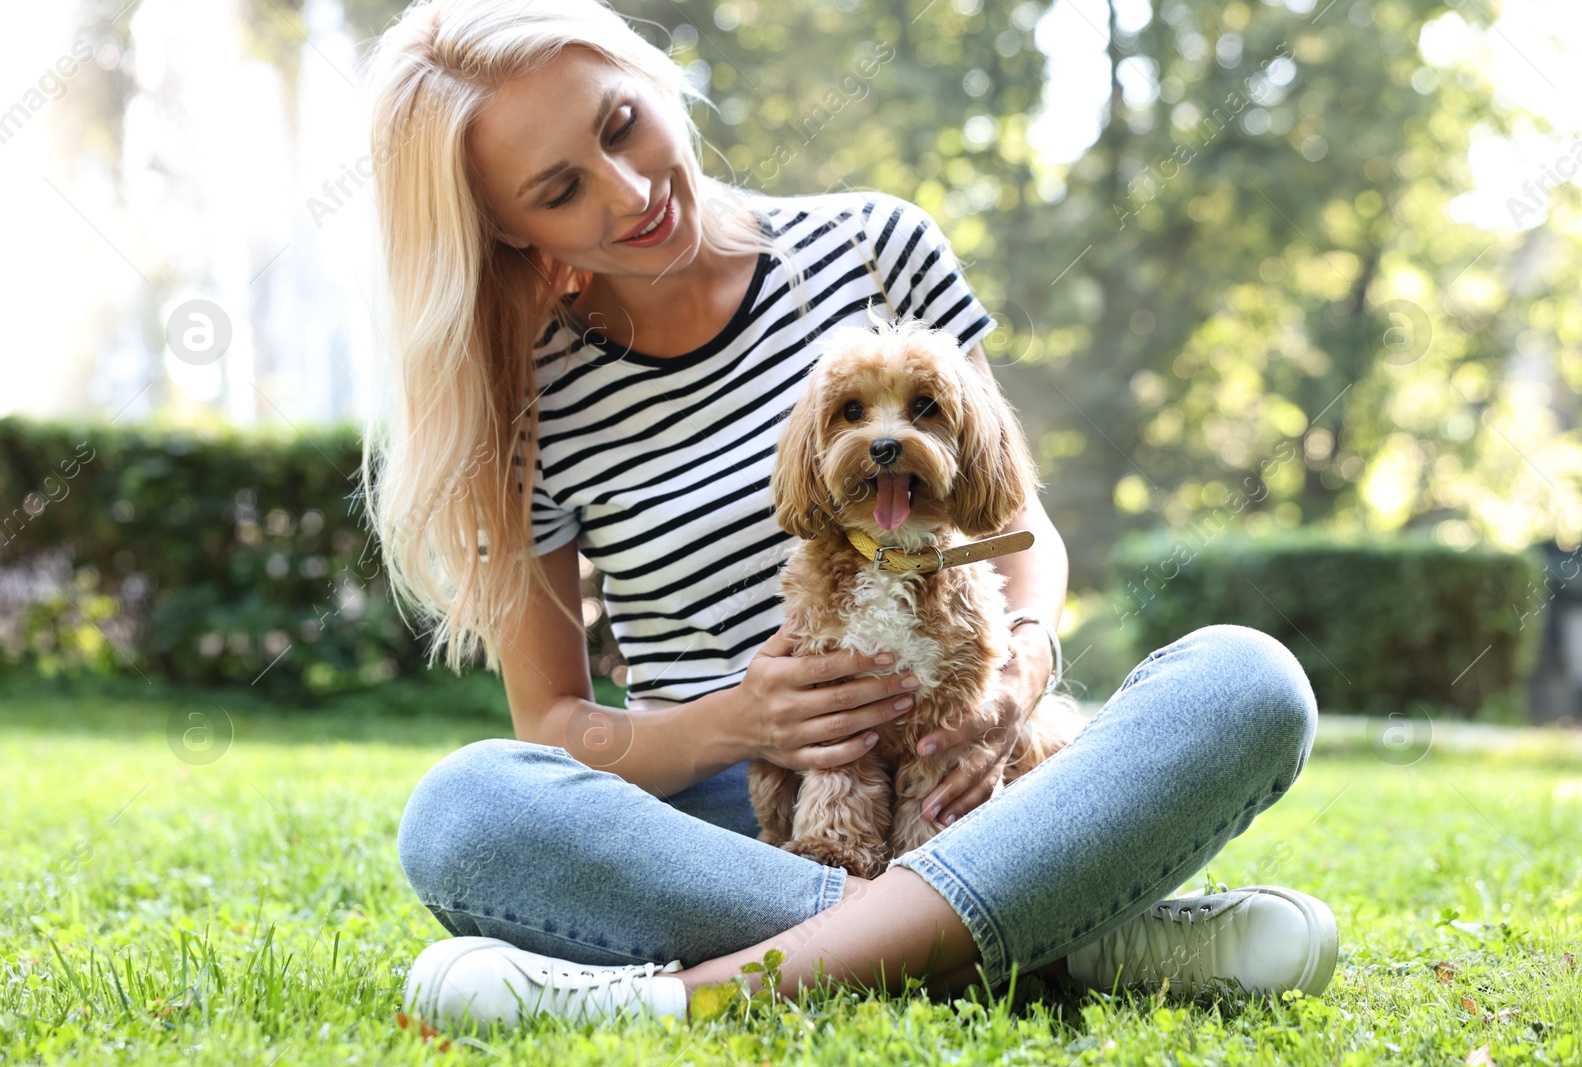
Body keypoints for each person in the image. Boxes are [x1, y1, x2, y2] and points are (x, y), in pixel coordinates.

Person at [360, 0, 1338, 1035]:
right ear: (508, 224)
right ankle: (1060, 932)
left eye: (619, 125)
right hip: (736, 824)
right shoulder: (529, 400)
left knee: (1246, 678)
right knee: (463, 807)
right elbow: (557, 728)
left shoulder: (876, 246)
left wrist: (1019, 666)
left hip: (961, 773)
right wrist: (743, 721)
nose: (633, 190)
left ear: (652, 78)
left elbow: (1014, 528)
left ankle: (696, 992)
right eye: (560, 190)